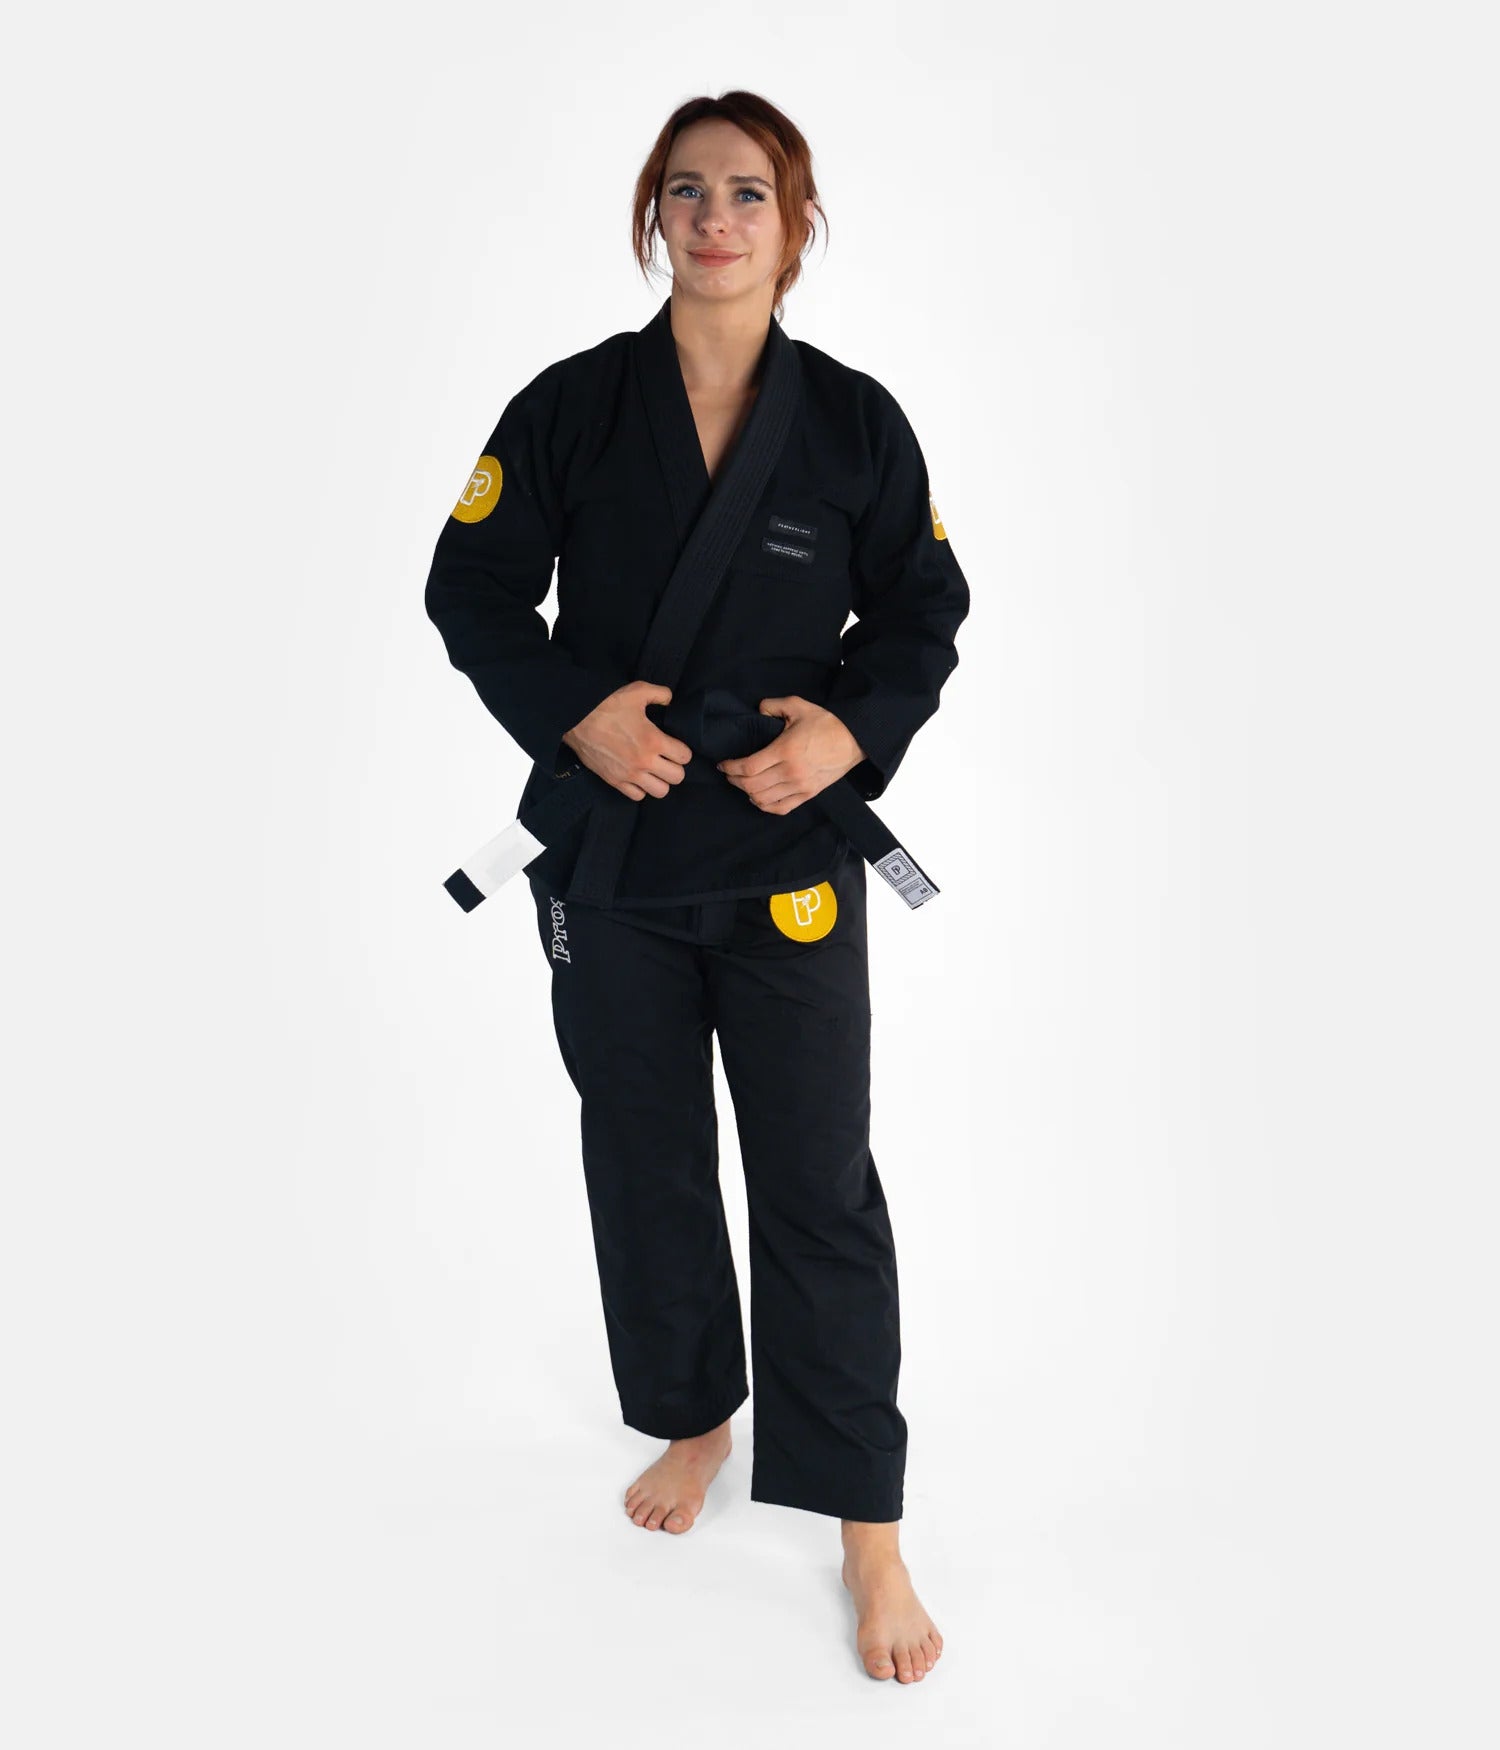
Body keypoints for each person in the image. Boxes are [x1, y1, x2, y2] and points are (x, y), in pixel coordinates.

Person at [424, 90, 969, 1685]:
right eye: (686, 192)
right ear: (652, 218)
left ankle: (868, 1521)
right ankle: (695, 1413)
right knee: (646, 1154)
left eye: (748, 193)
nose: (715, 220)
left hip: (789, 852)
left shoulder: (857, 423)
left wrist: (849, 733)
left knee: (816, 1174)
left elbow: (925, 609)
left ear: (796, 226)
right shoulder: (571, 406)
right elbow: (470, 584)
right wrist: (574, 710)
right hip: (618, 850)